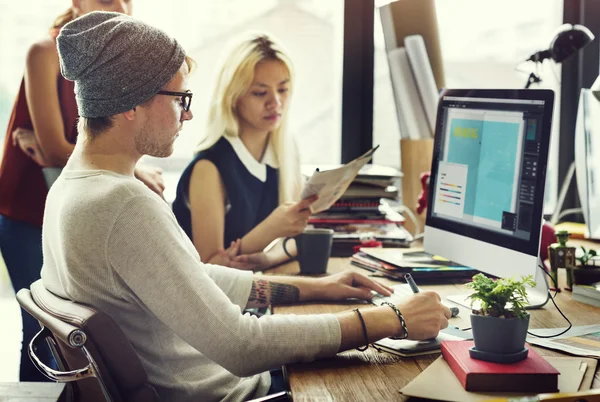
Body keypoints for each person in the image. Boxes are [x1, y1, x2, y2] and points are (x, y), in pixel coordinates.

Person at [43, 11, 451, 401]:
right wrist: (390, 319)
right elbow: (240, 344)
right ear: (131, 102)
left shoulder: (71, 189)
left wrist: (315, 288)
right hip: (234, 393)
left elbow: (193, 280)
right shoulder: (125, 204)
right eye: (179, 98)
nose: (187, 114)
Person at [0, 0, 164, 382]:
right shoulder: (45, 51)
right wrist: (137, 172)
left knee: (85, 334)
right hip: (28, 210)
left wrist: (125, 164)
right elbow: (58, 146)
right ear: (77, 2)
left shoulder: (122, 57)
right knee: (42, 334)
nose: (120, 6)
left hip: (81, 209)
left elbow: (111, 139)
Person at [172, 33, 311, 270]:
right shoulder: (209, 167)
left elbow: (297, 240)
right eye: (260, 92)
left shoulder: (285, 152)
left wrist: (268, 258)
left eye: (283, 89)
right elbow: (209, 268)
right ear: (233, 96)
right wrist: (269, 231)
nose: (275, 102)